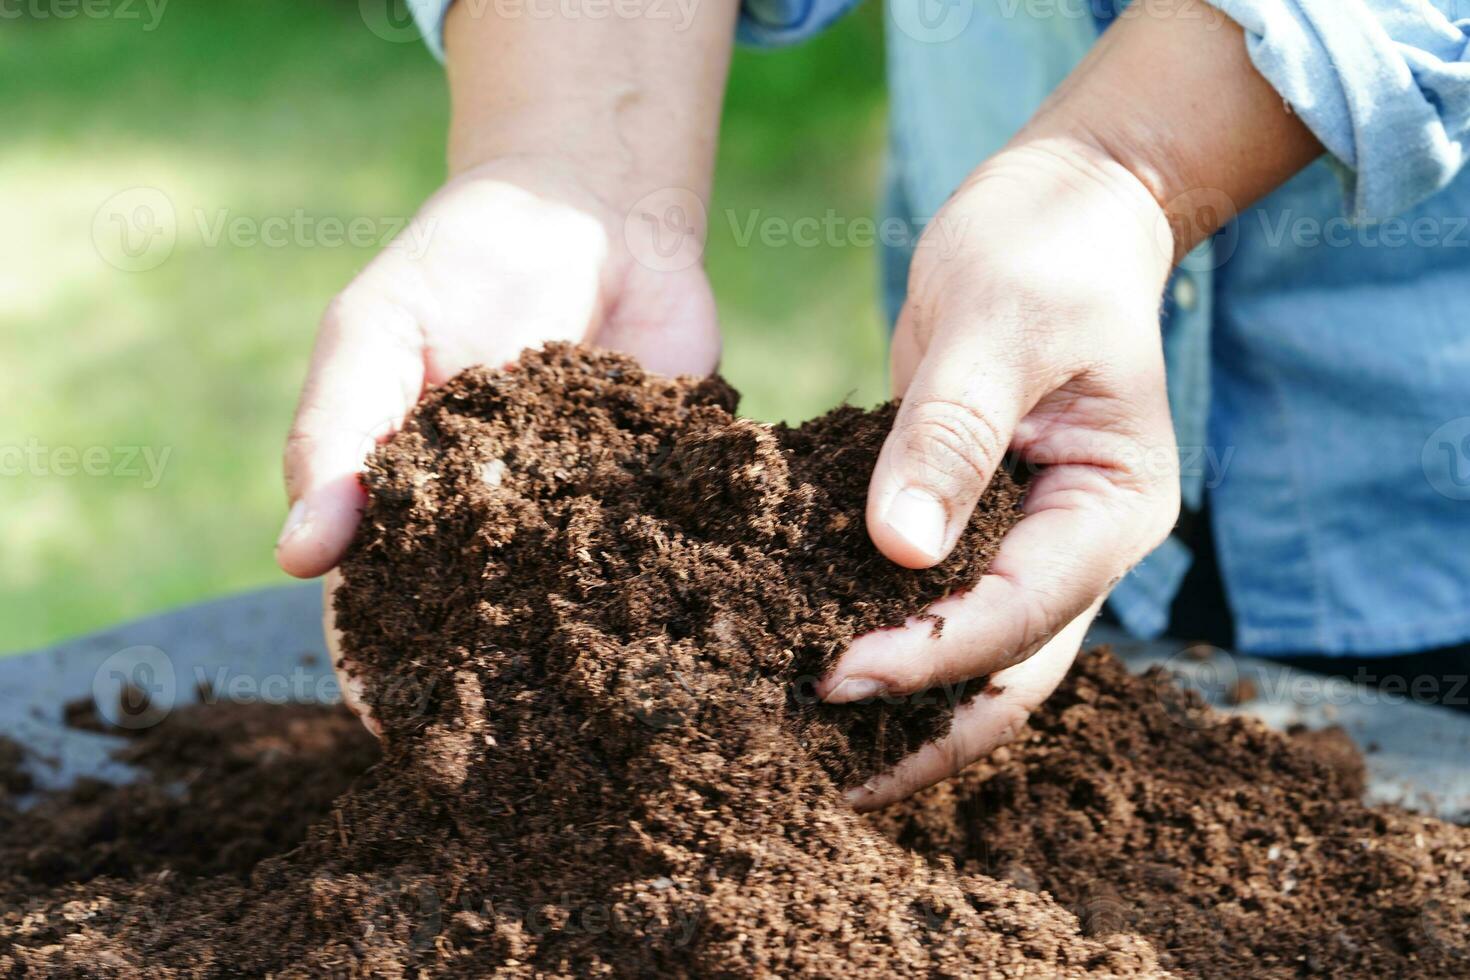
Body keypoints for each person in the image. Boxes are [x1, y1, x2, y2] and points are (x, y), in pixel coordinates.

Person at [274, 0, 1470, 806]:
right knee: (976, 647)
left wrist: (1123, 169)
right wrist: (567, 156)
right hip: (1033, 426)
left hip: (1426, 490)